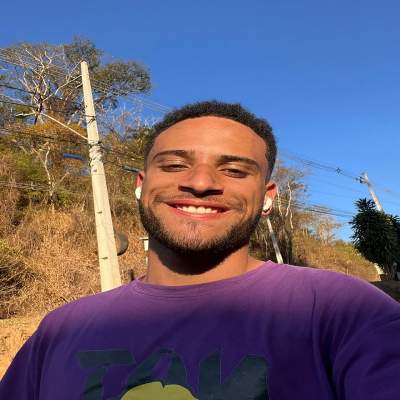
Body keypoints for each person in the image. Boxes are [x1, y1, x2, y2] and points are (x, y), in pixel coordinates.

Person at [1, 101, 399, 399]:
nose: (201, 183)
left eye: (234, 170)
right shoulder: (60, 330)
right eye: (174, 165)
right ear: (141, 185)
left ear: (267, 197)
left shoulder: (345, 312)